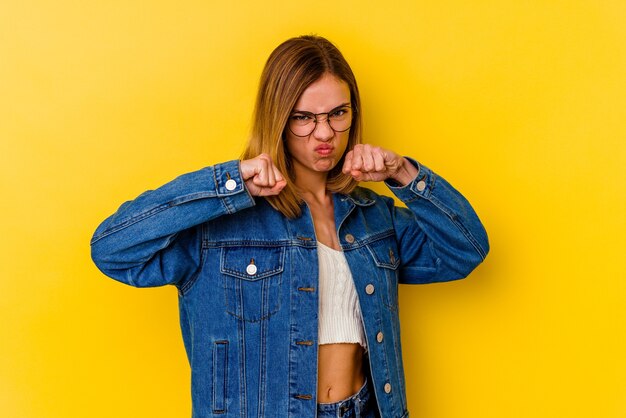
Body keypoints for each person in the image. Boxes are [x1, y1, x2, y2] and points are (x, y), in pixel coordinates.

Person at [90, 35, 489, 418]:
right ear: (278, 117)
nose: (325, 133)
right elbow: (113, 249)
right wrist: (227, 184)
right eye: (304, 117)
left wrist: (402, 172)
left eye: (338, 113)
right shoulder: (220, 225)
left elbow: (465, 249)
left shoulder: (373, 217)